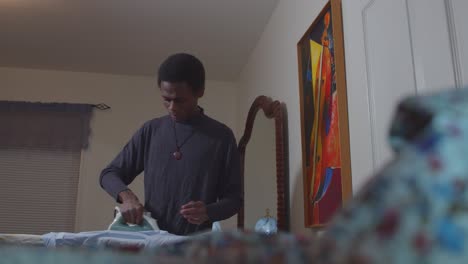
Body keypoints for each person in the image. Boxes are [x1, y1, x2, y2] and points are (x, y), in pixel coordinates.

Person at [100, 53, 242, 236]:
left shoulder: (221, 137)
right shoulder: (151, 130)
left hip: (196, 250)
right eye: (166, 99)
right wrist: (127, 197)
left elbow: (234, 200)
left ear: (200, 92)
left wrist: (208, 211)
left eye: (180, 100)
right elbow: (109, 174)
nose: (172, 107)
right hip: (151, 245)